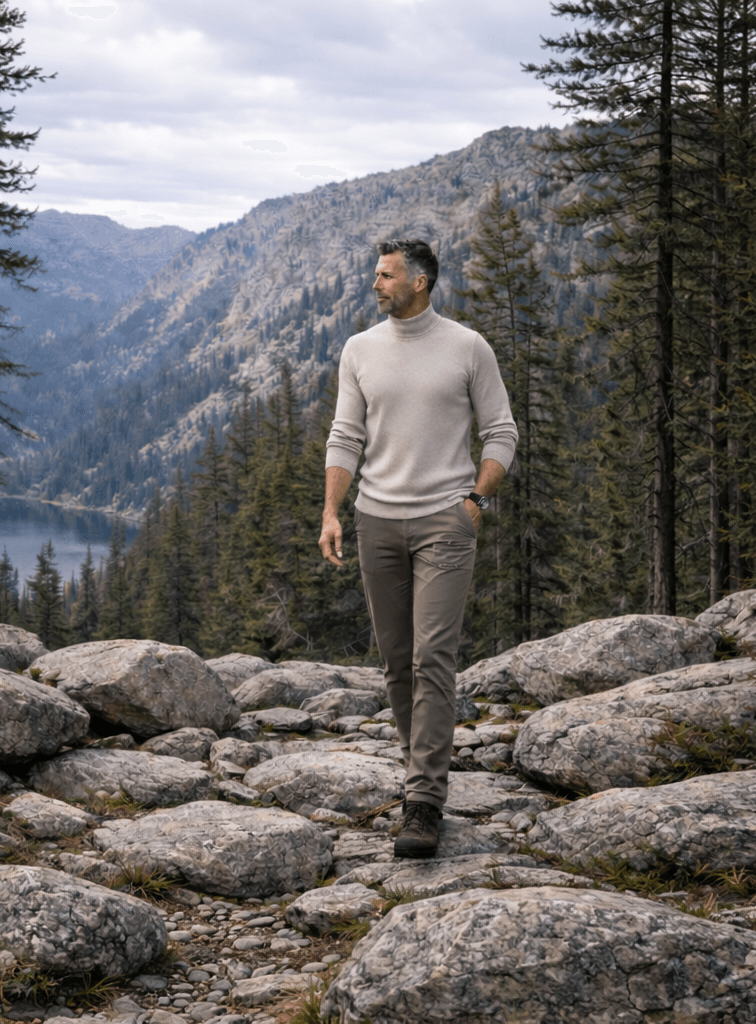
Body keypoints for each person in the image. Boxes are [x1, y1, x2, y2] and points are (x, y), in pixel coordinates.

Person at [319, 239, 518, 858]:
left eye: (385, 275)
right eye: (376, 274)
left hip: (444, 524)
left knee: (433, 656)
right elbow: (345, 434)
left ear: (420, 281)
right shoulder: (360, 349)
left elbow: (501, 431)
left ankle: (424, 802)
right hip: (375, 521)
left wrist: (475, 501)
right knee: (397, 661)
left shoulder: (467, 347)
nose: (375, 284)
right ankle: (419, 771)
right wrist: (331, 511)